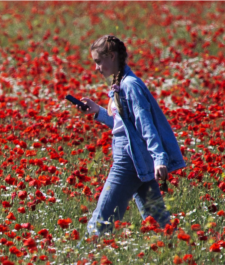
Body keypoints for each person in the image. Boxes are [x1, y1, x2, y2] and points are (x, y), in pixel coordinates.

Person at [79, 35, 186, 237]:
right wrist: (98, 112)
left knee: (101, 221)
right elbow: (126, 126)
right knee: (158, 221)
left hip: (128, 161)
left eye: (98, 61)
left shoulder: (130, 85)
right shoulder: (121, 84)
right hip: (137, 158)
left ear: (111, 56)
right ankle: (175, 252)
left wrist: (159, 158)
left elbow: (147, 126)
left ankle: (83, 261)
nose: (96, 68)